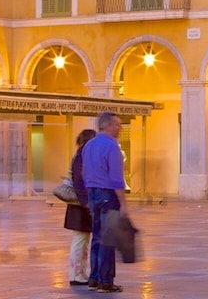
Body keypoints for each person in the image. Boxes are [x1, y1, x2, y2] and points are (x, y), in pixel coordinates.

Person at [81, 112, 128, 293]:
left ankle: (94, 278)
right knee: (108, 238)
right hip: (108, 194)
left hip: (92, 193)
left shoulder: (89, 145)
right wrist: (123, 202)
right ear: (107, 125)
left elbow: (85, 172)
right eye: (117, 124)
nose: (119, 128)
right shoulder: (112, 146)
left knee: (96, 236)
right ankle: (106, 281)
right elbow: (117, 179)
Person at [63, 129, 97, 287]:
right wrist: (86, 202)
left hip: (80, 204)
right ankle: (76, 274)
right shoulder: (82, 156)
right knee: (80, 240)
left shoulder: (81, 155)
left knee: (82, 240)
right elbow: (79, 181)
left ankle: (80, 273)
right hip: (80, 205)